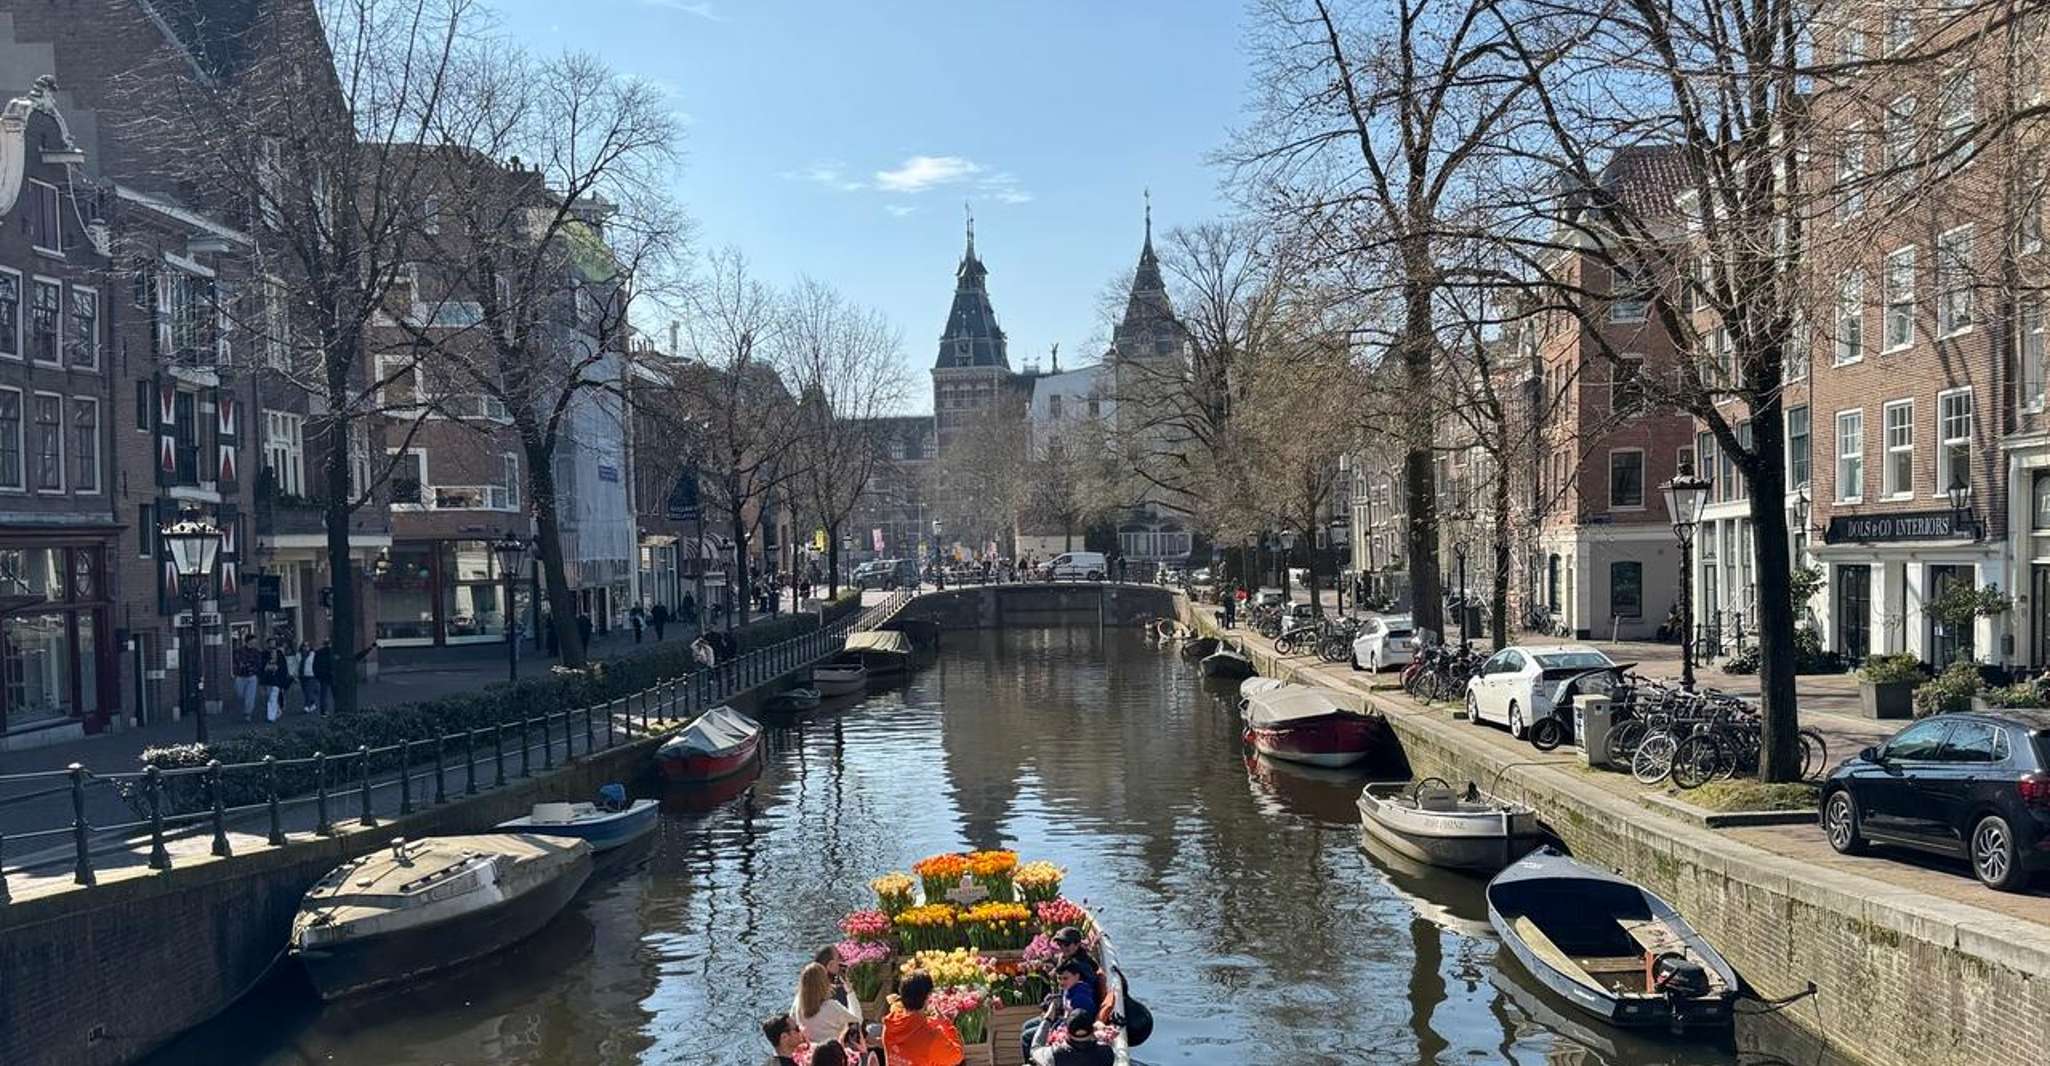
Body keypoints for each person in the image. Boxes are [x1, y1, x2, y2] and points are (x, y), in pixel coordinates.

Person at [881, 971, 963, 1066]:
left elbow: (911, 1026)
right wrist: (946, 1024)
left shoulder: (890, 1024)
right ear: (927, 997)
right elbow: (957, 1056)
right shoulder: (932, 1037)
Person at [1020, 960, 1098, 1057]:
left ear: (1077, 976)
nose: (1061, 982)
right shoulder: (1070, 988)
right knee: (1026, 1026)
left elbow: (1079, 1024)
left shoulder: (1080, 997)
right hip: (1062, 1020)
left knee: (1027, 1036)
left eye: (1065, 978)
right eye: (1059, 979)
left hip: (1070, 1030)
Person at [793, 962, 862, 1045]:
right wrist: (850, 992)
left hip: (810, 1052)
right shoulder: (832, 1007)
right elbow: (857, 1022)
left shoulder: (797, 1003)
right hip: (832, 1053)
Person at [1031, 1011, 1115, 1066]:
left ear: (1066, 1031)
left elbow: (1035, 1049)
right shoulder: (1106, 1053)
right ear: (1092, 1030)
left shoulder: (1053, 1055)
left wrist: (1048, 1019)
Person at [261, 640, 292, 723]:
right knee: (269, 697)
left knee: (273, 696)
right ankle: (277, 710)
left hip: (277, 679)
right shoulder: (264, 654)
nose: (272, 649)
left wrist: (282, 676)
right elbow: (262, 666)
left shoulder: (279, 654)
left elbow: (283, 667)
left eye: (273, 646)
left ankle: (271, 717)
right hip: (267, 680)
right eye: (270, 646)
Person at [232, 634, 261, 722]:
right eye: (253, 641)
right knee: (240, 694)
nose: (254, 643)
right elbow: (237, 661)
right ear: (248, 641)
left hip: (251, 676)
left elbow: (258, 663)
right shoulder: (239, 651)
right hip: (241, 676)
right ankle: (243, 709)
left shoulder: (256, 652)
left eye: (255, 641)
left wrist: (253, 668)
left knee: (250, 696)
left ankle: (248, 714)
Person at [815, 944, 854, 1008]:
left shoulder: (806, 990)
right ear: (830, 965)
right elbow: (855, 1016)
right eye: (839, 958)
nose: (841, 961)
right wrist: (850, 991)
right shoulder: (836, 994)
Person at [296, 642, 320, 715]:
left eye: (307, 646)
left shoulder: (313, 654)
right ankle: (313, 703)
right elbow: (296, 665)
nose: (305, 648)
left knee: (308, 690)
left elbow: (316, 664)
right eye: (304, 646)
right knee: (305, 691)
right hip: (302, 675)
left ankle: (306, 706)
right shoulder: (298, 655)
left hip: (311, 675)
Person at [311, 640, 334, 715]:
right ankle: (338, 708)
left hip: (323, 676)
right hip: (331, 675)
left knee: (323, 694)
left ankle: (323, 711)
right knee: (335, 693)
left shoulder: (318, 652)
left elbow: (314, 665)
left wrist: (317, 675)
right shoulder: (332, 651)